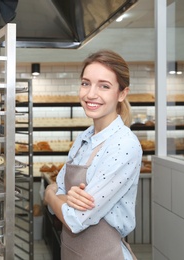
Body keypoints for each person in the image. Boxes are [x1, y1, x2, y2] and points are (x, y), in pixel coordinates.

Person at [44, 49, 142, 260]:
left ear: (122, 94)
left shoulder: (123, 145)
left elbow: (75, 219)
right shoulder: (83, 138)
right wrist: (62, 198)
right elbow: (61, 195)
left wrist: (49, 195)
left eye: (104, 86)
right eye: (86, 83)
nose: (90, 94)